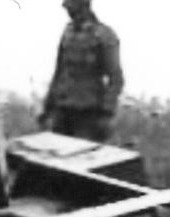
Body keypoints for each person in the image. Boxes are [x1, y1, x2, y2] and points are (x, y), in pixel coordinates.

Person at [39, 0, 124, 143]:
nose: (68, 11)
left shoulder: (104, 35)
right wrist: (47, 108)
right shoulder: (67, 33)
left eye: (71, 7)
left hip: (89, 115)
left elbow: (116, 79)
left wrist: (106, 113)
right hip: (63, 111)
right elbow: (59, 72)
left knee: (83, 154)